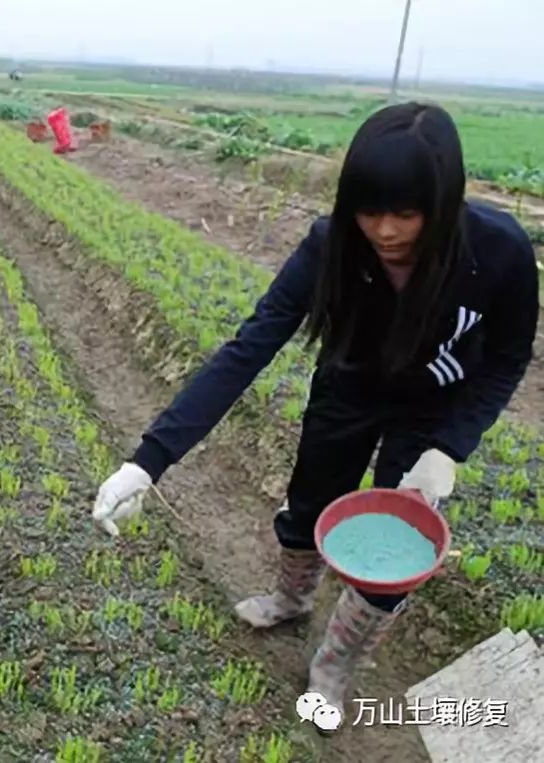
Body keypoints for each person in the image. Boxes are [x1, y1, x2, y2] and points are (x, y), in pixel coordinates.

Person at [91, 102, 539, 726]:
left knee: (399, 547)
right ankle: (292, 598)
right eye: (368, 210)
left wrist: (449, 448)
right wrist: (146, 463)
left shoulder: (500, 253)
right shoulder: (330, 246)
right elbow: (248, 349)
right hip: (349, 386)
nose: (384, 230)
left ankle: (333, 668)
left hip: (434, 408)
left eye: (405, 213)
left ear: (444, 202)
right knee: (308, 507)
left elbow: (508, 357)